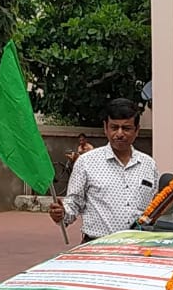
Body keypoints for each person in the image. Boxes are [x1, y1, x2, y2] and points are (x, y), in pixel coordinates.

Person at [50, 98, 159, 242]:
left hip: (139, 248)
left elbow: (156, 207)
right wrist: (62, 213)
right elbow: (73, 203)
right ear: (105, 128)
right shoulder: (86, 162)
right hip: (98, 247)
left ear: (137, 130)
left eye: (126, 128)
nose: (120, 134)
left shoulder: (149, 165)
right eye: (114, 127)